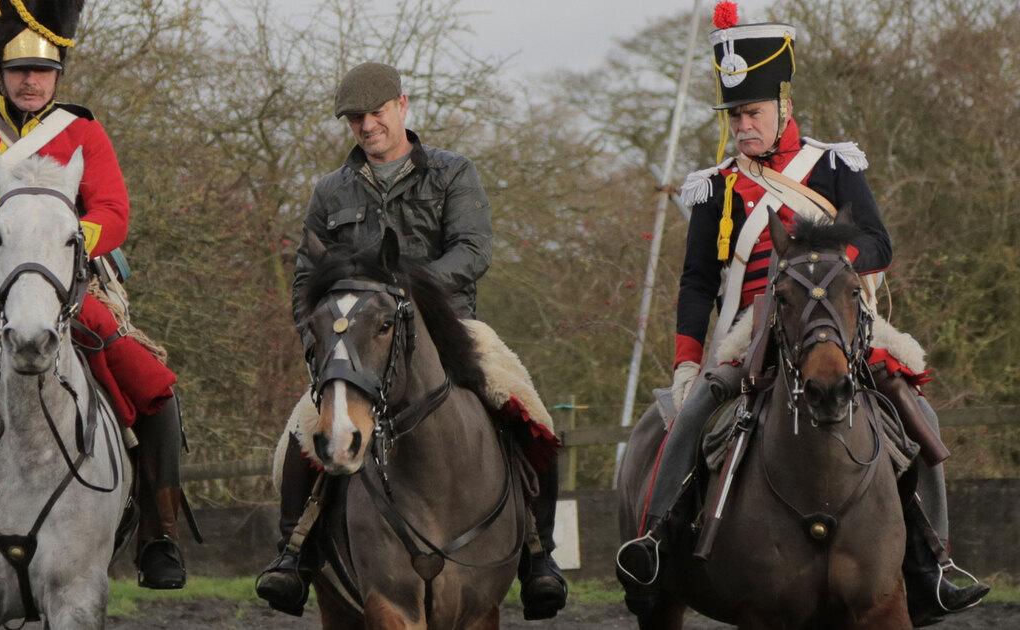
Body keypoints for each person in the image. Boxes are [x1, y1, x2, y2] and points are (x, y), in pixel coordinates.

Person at [614, 5, 989, 626]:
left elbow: (877, 243)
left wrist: (826, 268)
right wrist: (686, 359)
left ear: (782, 106)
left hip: (839, 315)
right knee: (695, 410)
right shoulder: (716, 186)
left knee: (912, 409)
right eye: (734, 116)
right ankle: (656, 540)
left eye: (752, 113)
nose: (742, 127)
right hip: (751, 326)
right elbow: (697, 282)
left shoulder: (833, 165)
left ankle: (934, 563)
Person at [0, 0, 189, 608]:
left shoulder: (84, 133)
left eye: (43, 72)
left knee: (156, 391)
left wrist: (64, 248)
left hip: (62, 301)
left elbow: (114, 214)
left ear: (58, 77)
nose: (31, 80)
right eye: (19, 69)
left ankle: (160, 536)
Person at [254, 62, 568, 620]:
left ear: (402, 105)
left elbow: (473, 252)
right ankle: (293, 554)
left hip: (451, 327)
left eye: (376, 112)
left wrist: (405, 293)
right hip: (356, 339)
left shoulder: (452, 173)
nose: (367, 125)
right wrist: (318, 339)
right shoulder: (331, 191)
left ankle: (538, 556)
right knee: (303, 429)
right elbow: (309, 279)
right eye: (356, 118)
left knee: (531, 412)